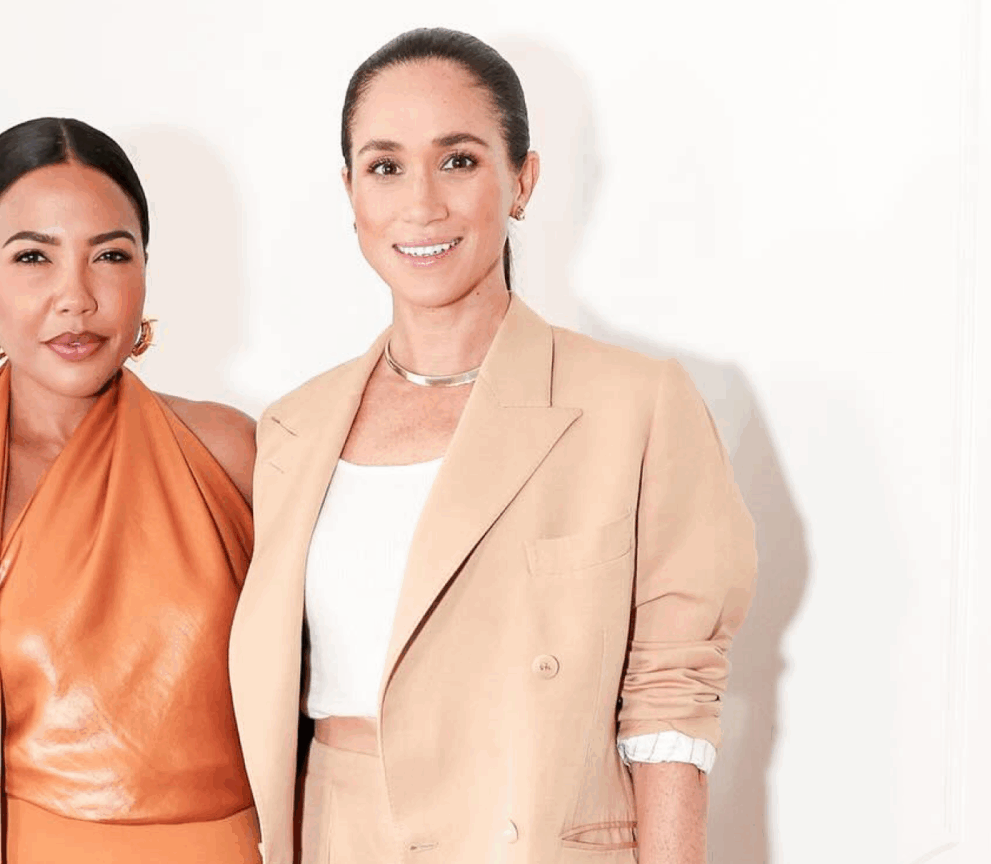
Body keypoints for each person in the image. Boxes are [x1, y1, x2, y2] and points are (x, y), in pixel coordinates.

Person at [230, 28, 757, 864]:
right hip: (339, 837)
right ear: (351, 193)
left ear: (524, 179)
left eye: (460, 160)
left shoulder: (634, 406)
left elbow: (671, 697)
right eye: (385, 165)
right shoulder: (291, 428)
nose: (422, 204)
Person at [0, 117, 262, 864]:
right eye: (33, 257)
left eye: (110, 254)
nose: (76, 298)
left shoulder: (231, 451)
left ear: (145, 267)